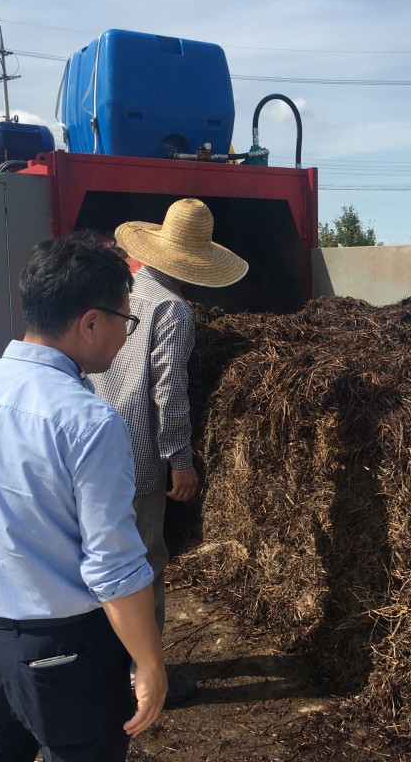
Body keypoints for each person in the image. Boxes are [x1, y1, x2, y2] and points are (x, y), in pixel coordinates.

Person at [0, 232, 167, 761]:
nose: (125, 335)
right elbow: (114, 566)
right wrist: (148, 662)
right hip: (66, 652)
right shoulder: (88, 421)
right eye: (126, 320)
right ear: (91, 321)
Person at [91, 198, 248, 705]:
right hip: (139, 456)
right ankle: (144, 676)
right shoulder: (173, 309)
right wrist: (180, 459)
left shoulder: (124, 291)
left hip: (94, 445)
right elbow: (168, 390)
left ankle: (104, 664)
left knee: (101, 559)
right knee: (143, 566)